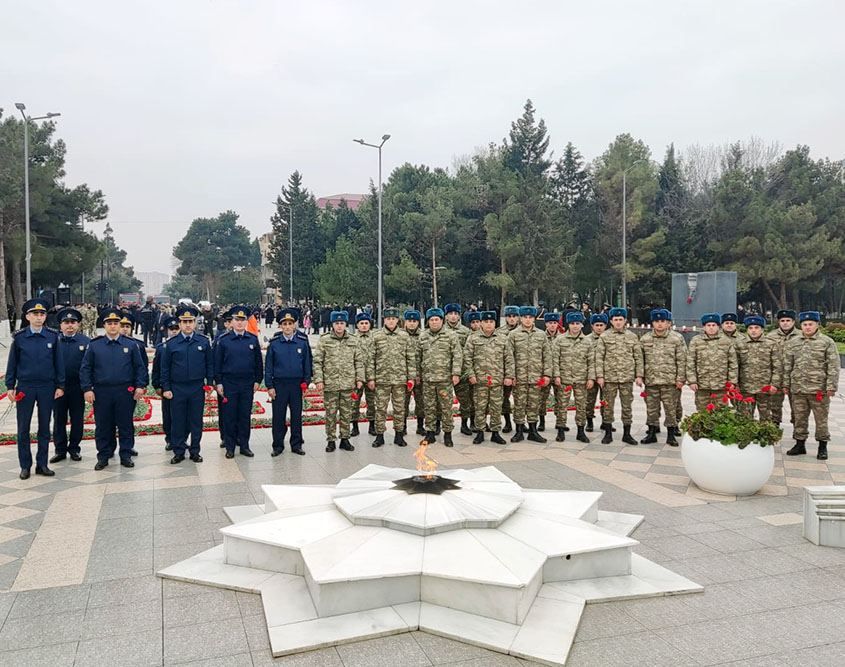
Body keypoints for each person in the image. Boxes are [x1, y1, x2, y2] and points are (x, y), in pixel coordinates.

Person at [79, 307, 147, 470]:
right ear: (104, 325)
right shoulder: (95, 345)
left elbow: (140, 367)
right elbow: (86, 368)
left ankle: (125, 454)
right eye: (109, 323)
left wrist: (140, 386)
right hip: (102, 392)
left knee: (125, 424)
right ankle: (103, 455)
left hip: (125, 391)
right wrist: (87, 389)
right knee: (103, 425)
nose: (113, 326)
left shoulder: (130, 345)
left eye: (116, 323)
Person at [5, 298, 66, 479]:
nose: (39, 317)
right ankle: (25, 465)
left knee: (44, 427)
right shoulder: (20, 337)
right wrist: (10, 385)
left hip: (47, 387)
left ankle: (42, 464)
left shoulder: (53, 336)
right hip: (26, 386)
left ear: (45, 316)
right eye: (35, 314)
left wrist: (60, 385)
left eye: (42, 314)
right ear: (28, 316)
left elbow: (58, 363)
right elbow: (12, 364)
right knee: (23, 428)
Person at [160, 305, 213, 464]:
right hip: (178, 388)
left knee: (196, 421)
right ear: (180, 323)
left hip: (197, 387)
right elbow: (165, 368)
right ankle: (179, 451)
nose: (188, 324)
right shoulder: (171, 344)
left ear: (195, 322)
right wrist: (166, 388)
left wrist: (209, 383)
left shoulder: (203, 342)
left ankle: (195, 450)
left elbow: (209, 364)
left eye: (191, 321)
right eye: (184, 321)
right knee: (178, 421)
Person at [783, 311, 839, 460]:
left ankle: (822, 446)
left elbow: (833, 366)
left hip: (818, 389)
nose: (807, 327)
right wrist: (786, 384)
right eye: (805, 324)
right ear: (801, 325)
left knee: (821, 419)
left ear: (817, 325)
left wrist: (831, 386)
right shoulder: (793, 343)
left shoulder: (827, 342)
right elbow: (788, 365)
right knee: (799, 418)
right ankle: (800, 444)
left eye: (810, 324)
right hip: (798, 388)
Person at [214, 305, 264, 458]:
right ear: (232, 321)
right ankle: (230, 447)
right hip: (229, 383)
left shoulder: (252, 339)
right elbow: (218, 364)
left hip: (247, 384)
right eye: (237, 320)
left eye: (243, 320)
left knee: (244, 416)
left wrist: (257, 380)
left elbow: (258, 363)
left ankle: (244, 445)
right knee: (229, 416)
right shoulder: (224, 341)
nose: (240, 323)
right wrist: (219, 383)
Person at [313, 311, 364, 452]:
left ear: (346, 324)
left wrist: (359, 378)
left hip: (348, 383)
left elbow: (359, 361)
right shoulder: (325, 340)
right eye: (337, 323)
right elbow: (317, 361)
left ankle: (345, 439)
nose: (339, 326)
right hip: (330, 383)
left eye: (342, 323)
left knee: (346, 412)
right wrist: (319, 379)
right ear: (332, 324)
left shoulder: (354, 340)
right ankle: (331, 440)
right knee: (330, 413)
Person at [265, 308, 312, 456]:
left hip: (296, 385)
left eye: (290, 323)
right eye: (284, 324)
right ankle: (278, 445)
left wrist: (306, 381)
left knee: (296, 416)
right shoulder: (274, 343)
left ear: (294, 325)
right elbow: (268, 366)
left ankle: (296, 444)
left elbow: (307, 363)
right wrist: (269, 386)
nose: (287, 327)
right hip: (279, 384)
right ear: (280, 326)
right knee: (278, 416)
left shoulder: (302, 342)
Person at [367, 308, 415, 447]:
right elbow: (370, 359)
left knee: (399, 409)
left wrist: (411, 377)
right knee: (380, 409)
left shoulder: (404, 336)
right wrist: (371, 378)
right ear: (384, 320)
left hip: (400, 379)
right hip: (382, 379)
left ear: (397, 320)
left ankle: (399, 435)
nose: (391, 321)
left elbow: (410, 358)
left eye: (393, 319)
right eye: (388, 319)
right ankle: (379, 435)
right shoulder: (376, 336)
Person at [595, 307, 643, 445]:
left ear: (625, 321)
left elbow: (638, 357)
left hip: (626, 378)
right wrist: (600, 376)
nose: (618, 322)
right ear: (611, 321)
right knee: (608, 406)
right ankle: (608, 433)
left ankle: (627, 434)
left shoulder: (632, 337)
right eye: (615, 320)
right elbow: (599, 357)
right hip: (609, 378)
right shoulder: (605, 336)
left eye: (620, 320)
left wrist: (639, 375)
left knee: (627, 406)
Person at [639, 308, 686, 447]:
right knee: (651, 408)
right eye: (656, 321)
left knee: (671, 408)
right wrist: (640, 376)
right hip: (651, 380)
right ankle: (652, 433)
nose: (659, 324)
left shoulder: (676, 338)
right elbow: (640, 359)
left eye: (662, 321)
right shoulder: (645, 339)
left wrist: (680, 379)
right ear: (652, 323)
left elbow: (682, 360)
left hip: (670, 381)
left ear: (668, 323)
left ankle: (671, 434)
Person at [463, 311, 511, 444]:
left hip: (497, 379)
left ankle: (496, 432)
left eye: (491, 322)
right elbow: (467, 358)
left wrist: (509, 376)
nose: (489, 324)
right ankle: (480, 432)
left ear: (495, 323)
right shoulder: (473, 338)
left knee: (496, 407)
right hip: (480, 380)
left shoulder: (502, 338)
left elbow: (509, 359)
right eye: (486, 322)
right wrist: (470, 374)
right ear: (481, 323)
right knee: (480, 407)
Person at [50, 307, 90, 464]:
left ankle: (74, 448)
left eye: (73, 322)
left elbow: (89, 367)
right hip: (58, 388)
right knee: (59, 418)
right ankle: (60, 450)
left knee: (77, 419)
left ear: (78, 324)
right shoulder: (53, 342)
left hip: (77, 388)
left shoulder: (86, 342)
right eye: (66, 322)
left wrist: (88, 387)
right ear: (60, 325)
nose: (69, 325)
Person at [507, 306, 552, 443]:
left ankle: (533, 430)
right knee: (519, 404)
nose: (527, 320)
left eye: (530, 317)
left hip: (536, 376)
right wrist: (511, 375)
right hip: (519, 377)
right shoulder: (513, 335)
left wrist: (547, 374)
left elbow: (547, 356)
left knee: (534, 404)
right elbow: (509, 356)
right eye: (525, 317)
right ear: (521, 318)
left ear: (534, 319)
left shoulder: (541, 334)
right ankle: (519, 431)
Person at [419, 307, 462, 446]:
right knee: (429, 407)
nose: (434, 322)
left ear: (442, 321)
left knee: (446, 408)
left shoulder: (450, 336)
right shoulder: (423, 336)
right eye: (431, 320)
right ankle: (430, 433)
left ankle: (448, 434)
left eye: (437, 319)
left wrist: (456, 373)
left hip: (445, 379)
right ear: (428, 322)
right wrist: (417, 375)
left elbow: (457, 355)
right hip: (428, 379)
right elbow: (417, 357)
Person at [552, 311, 594, 443]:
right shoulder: (560, 340)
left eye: (578, 323)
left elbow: (591, 361)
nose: (575, 326)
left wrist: (591, 378)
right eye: (572, 324)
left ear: (582, 325)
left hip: (581, 379)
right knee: (562, 405)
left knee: (581, 406)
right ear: (568, 325)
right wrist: (556, 376)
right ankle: (560, 430)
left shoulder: (587, 341)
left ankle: (581, 431)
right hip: (564, 379)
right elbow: (555, 359)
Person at [686, 313, 738, 412]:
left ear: (718, 326)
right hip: (702, 385)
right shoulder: (696, 341)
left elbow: (733, 363)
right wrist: (692, 381)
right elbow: (690, 362)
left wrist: (732, 381)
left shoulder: (726, 341)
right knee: (703, 412)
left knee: (721, 412)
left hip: (721, 385)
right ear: (704, 327)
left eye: (713, 325)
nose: (711, 328)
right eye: (708, 325)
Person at [735, 315, 781, 422]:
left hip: (765, 387)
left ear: (762, 329)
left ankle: (764, 437)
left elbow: (777, 366)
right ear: (747, 330)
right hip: (745, 387)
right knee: (745, 417)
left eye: (756, 328)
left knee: (765, 416)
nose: (753, 331)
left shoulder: (771, 344)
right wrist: (735, 384)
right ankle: (747, 438)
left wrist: (774, 384)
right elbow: (735, 366)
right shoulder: (739, 344)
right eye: (750, 328)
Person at [766, 309, 801, 427]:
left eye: (788, 320)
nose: (785, 323)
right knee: (774, 405)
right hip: (777, 377)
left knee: (797, 407)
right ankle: (774, 426)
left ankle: (798, 431)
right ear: (778, 322)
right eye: (782, 320)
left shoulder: (801, 336)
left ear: (793, 322)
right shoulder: (770, 337)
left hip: (795, 377)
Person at [151, 315, 180, 451]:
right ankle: (169, 439)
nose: (174, 331)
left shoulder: (183, 345)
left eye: (176, 328)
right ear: (166, 330)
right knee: (167, 414)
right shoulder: (162, 347)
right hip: (166, 386)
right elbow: (156, 368)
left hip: (180, 385)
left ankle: (181, 438)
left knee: (181, 415)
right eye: (171, 329)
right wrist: (157, 385)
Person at [445, 303, 473, 435]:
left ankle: (465, 424)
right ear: (446, 316)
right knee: (442, 400)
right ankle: (441, 425)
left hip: (461, 371)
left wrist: (467, 371)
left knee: (465, 400)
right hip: (444, 372)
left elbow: (468, 353)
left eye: (456, 314)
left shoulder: (465, 331)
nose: (453, 316)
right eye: (451, 313)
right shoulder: (441, 330)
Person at [351, 312, 376, 436]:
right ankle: (354, 426)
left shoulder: (375, 338)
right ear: (357, 325)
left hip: (372, 376)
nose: (364, 326)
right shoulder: (352, 339)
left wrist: (373, 377)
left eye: (366, 323)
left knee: (372, 402)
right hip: (356, 377)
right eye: (362, 323)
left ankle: (372, 425)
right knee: (354, 402)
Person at [497, 305, 521, 432]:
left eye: (514, 316)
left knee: (520, 399)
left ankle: (521, 423)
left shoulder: (524, 330)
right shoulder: (499, 332)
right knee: (504, 398)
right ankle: (507, 422)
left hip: (521, 370)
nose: (512, 319)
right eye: (509, 316)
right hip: (505, 371)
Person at [584, 313, 608, 433]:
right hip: (591, 376)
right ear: (592, 326)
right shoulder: (586, 339)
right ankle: (589, 422)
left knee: (606, 400)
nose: (599, 327)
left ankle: (605, 421)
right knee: (589, 400)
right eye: (597, 325)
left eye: (601, 325)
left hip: (606, 375)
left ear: (605, 326)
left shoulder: (609, 339)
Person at [403, 309, 426, 435]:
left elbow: (426, 357)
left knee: (421, 402)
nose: (412, 324)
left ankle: (420, 426)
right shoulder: (400, 336)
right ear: (405, 322)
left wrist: (420, 374)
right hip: (404, 376)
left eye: (414, 321)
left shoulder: (423, 336)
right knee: (403, 402)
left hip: (420, 376)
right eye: (409, 321)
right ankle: (403, 426)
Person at [538, 312, 562, 432]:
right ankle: (541, 421)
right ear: (546, 324)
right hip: (544, 373)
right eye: (550, 323)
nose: (552, 325)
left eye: (554, 323)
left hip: (559, 373)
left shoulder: (562, 337)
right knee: (542, 398)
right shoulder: (540, 337)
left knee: (560, 398)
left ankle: (559, 422)